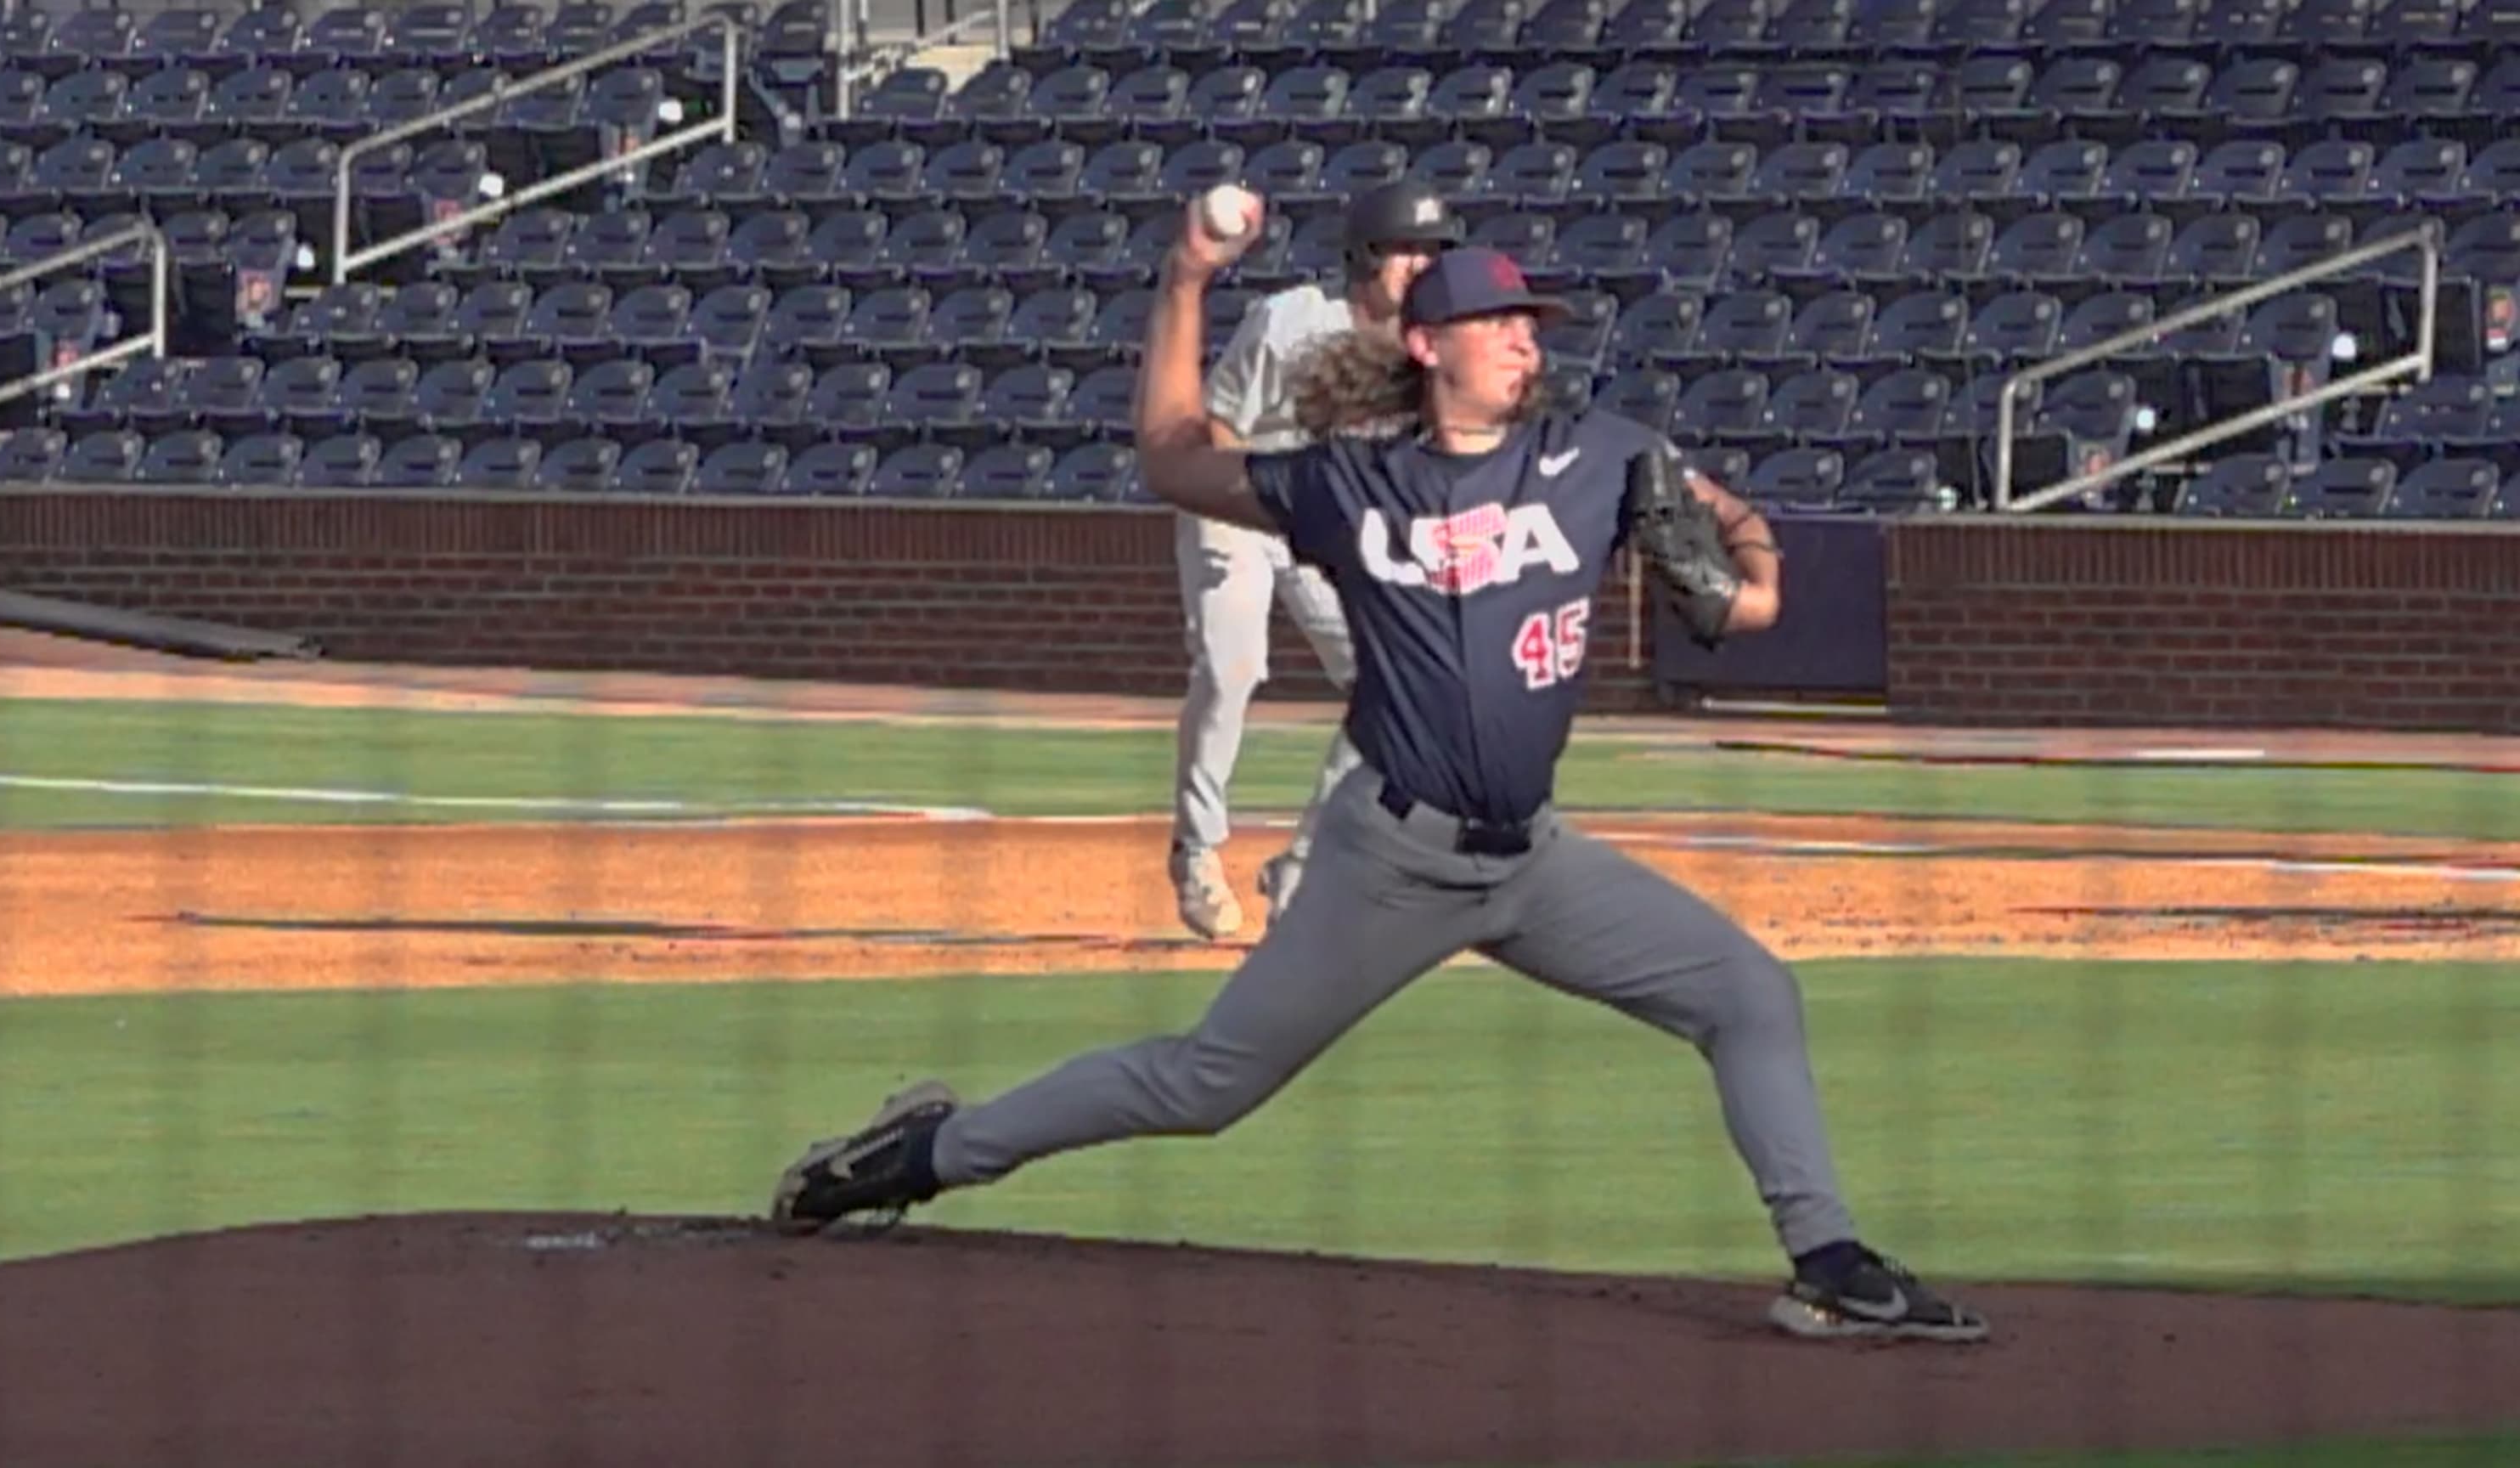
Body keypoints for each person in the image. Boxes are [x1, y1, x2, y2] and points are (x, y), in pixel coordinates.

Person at [772, 195, 1990, 1346]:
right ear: (1425, 346)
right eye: (1494, 322)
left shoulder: (1599, 458)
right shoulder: (1353, 485)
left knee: (1749, 996)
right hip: (1391, 862)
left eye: (1530, 322)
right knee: (1205, 1084)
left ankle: (1828, 1264)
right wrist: (1186, 281)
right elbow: (1168, 456)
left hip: (1536, 861)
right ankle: (928, 1153)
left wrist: (1740, 559)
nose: (1524, 339)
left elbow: (1746, 567)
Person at [1167, 178, 1462, 940]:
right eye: (1408, 249)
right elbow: (1219, 424)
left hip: (1323, 520)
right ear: (1367, 255)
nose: (1422, 264)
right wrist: (1248, 512)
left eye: (1433, 250)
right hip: (1236, 498)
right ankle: (1197, 852)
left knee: (1388, 687)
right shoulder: (1293, 318)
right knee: (1233, 668)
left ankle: (1300, 866)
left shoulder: (1423, 350)